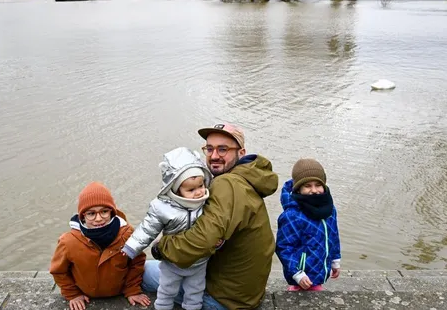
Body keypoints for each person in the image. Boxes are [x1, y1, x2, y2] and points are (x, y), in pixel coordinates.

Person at [145, 123, 279, 310]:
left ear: (241, 152)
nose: (214, 156)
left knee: (143, 271)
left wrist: (162, 247)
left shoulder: (227, 184)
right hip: (245, 293)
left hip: (224, 300)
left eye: (223, 149)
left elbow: (203, 239)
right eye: (209, 148)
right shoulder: (247, 178)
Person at [121, 147, 219, 310]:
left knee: (195, 292)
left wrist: (218, 241)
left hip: (199, 262)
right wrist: (132, 247)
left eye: (201, 185)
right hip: (171, 262)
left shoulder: (207, 203)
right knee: (167, 290)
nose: (198, 192)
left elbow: (216, 226)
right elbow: (147, 229)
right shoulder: (163, 208)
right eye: (191, 189)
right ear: (175, 188)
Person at [49, 182, 151, 310]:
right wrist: (73, 294)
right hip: (85, 294)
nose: (98, 219)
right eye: (91, 213)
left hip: (119, 292)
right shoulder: (68, 242)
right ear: (83, 216)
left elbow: (136, 263)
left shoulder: (127, 234)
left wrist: (132, 290)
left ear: (112, 213)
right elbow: (59, 271)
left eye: (104, 211)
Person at [275, 158, 341, 292]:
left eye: (318, 185)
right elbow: (284, 247)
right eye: (308, 186)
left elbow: (333, 236)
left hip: (320, 268)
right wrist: (297, 273)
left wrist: (335, 260)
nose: (314, 190)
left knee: (316, 290)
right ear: (298, 189)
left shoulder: (329, 209)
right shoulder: (292, 215)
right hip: (302, 273)